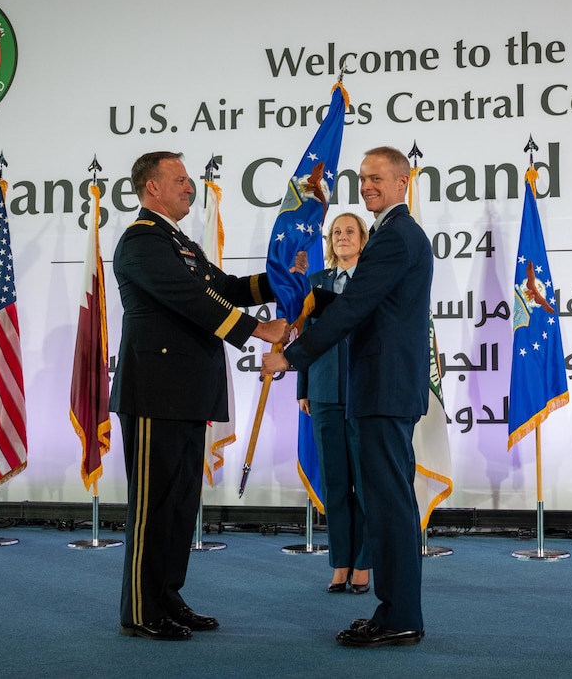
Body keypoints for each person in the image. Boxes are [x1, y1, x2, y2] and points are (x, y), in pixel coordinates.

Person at [109, 151, 291, 641]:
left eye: (189, 181)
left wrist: (284, 280)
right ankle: (142, 610)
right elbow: (190, 301)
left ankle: (168, 597)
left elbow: (224, 287)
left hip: (188, 391)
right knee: (153, 506)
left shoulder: (179, 243)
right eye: (180, 180)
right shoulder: (141, 241)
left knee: (180, 504)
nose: (190, 188)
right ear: (152, 187)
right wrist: (260, 330)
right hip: (154, 394)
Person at [262, 146, 433, 648]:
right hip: (379, 386)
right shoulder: (389, 234)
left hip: (383, 388)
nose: (367, 186)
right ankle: (397, 611)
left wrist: (293, 357)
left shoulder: (396, 236)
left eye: (377, 178)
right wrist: (305, 296)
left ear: (403, 182)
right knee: (387, 502)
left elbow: (357, 306)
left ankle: (400, 616)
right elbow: (358, 301)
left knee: (390, 504)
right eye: (362, 178)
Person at [297, 212, 372, 595]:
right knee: (335, 484)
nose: (343, 237)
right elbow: (307, 337)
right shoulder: (316, 283)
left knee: (365, 483)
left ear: (363, 238)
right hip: (324, 393)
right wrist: (303, 387)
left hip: (364, 392)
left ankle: (363, 565)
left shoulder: (375, 279)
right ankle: (339, 563)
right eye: (337, 232)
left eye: (350, 231)